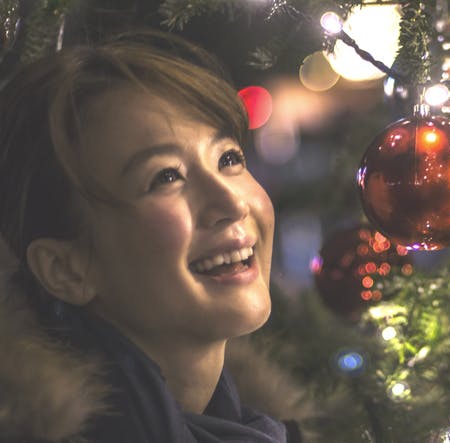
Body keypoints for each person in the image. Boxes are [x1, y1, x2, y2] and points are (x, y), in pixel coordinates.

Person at [0, 31, 300, 442]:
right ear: (65, 269)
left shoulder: (246, 426)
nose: (232, 203)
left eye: (228, 158)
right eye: (166, 176)